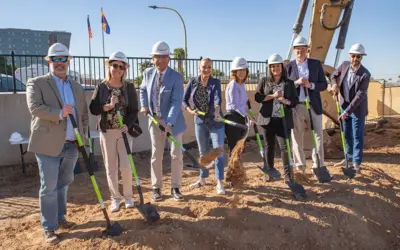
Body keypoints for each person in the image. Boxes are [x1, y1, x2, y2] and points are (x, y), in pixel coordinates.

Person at [26, 43, 89, 244]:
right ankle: (49, 227)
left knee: (64, 184)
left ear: (68, 62)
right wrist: (59, 114)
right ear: (49, 61)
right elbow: (35, 108)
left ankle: (61, 218)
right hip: (48, 145)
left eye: (64, 60)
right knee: (49, 187)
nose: (60, 63)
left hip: (72, 144)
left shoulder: (77, 87)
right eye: (56, 59)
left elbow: (84, 115)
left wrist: (84, 141)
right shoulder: (36, 83)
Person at [89, 51, 139, 212]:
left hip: (124, 131)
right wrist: (108, 107)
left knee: (125, 166)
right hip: (107, 132)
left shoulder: (129, 87)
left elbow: (134, 110)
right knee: (111, 167)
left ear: (125, 69)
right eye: (114, 65)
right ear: (109, 66)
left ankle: (129, 197)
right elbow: (93, 108)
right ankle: (115, 198)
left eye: (121, 66)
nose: (117, 69)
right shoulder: (102, 87)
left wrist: (128, 124)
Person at [139, 41, 186, 201]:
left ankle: (175, 187)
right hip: (155, 121)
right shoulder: (147, 73)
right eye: (159, 57)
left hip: (174, 123)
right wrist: (144, 105)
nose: (162, 60)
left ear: (169, 58)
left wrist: (169, 123)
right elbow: (143, 89)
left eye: (165, 57)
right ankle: (156, 188)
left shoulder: (177, 77)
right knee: (156, 155)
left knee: (175, 155)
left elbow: (176, 102)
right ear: (153, 58)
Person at [182, 58, 226, 194]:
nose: (206, 69)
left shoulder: (215, 82)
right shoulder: (193, 82)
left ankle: (219, 182)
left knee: (218, 151)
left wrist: (217, 109)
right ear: (198, 68)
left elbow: (218, 98)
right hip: (200, 122)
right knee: (203, 153)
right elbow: (184, 100)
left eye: (209, 67)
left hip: (215, 120)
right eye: (204, 67)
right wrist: (190, 110)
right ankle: (203, 179)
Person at [285, 36, 328, 175]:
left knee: (318, 136)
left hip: (313, 104)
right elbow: (285, 86)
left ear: (307, 50)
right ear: (294, 50)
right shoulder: (288, 67)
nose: (300, 51)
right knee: (297, 136)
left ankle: (318, 165)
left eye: (303, 49)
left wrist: (311, 85)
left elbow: (324, 84)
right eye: (298, 49)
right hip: (297, 106)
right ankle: (300, 166)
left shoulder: (315, 64)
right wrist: (296, 83)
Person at [255, 54, 299, 182]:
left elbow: (295, 101)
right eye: (273, 66)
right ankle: (269, 172)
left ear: (282, 67)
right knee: (269, 146)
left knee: (285, 147)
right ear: (270, 68)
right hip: (267, 120)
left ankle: (288, 175)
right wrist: (273, 96)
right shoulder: (264, 81)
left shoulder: (289, 83)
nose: (275, 68)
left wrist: (285, 101)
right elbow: (258, 98)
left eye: (277, 66)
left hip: (282, 121)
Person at [330, 43, 371, 173]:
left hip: (357, 109)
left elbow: (360, 95)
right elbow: (333, 76)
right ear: (350, 56)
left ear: (362, 57)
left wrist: (347, 112)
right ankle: (348, 158)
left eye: (358, 57)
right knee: (346, 134)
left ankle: (356, 163)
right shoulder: (344, 65)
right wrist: (334, 85)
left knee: (357, 136)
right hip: (343, 105)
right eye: (353, 56)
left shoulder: (365, 74)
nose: (355, 59)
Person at [225, 57, 252, 155]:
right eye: (239, 70)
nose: (241, 72)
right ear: (234, 72)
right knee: (234, 149)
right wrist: (247, 117)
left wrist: (246, 117)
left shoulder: (242, 85)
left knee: (240, 148)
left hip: (240, 118)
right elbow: (234, 105)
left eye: (243, 70)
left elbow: (242, 105)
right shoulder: (233, 84)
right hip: (233, 118)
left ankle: (238, 169)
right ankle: (233, 169)